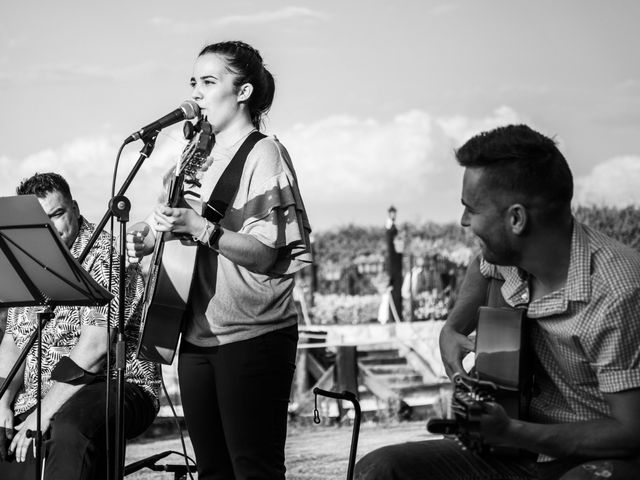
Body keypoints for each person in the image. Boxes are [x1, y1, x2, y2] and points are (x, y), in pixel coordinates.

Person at [355, 125, 640, 480]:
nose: (462, 221)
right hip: (511, 450)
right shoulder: (507, 257)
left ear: (516, 219)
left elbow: (630, 433)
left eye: (471, 209)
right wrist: (452, 329)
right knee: (379, 470)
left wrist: (511, 431)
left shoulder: (616, 290)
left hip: (591, 457)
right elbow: (483, 265)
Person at [126, 40, 312, 480]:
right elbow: (169, 225)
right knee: (211, 471)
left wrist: (201, 228)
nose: (197, 93)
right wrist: (149, 238)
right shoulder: (191, 156)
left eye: (209, 82)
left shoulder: (263, 153)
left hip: (252, 335)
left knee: (254, 469)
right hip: (193, 334)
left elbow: (267, 253)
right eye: (194, 82)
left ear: (243, 92)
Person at [0, 172, 160, 480]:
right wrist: (3, 400)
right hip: (43, 393)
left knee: (71, 428)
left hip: (115, 386)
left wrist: (41, 414)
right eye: (42, 220)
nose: (53, 227)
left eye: (58, 214)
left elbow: (97, 349)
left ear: (74, 207)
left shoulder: (110, 254)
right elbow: (14, 341)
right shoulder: (31, 260)